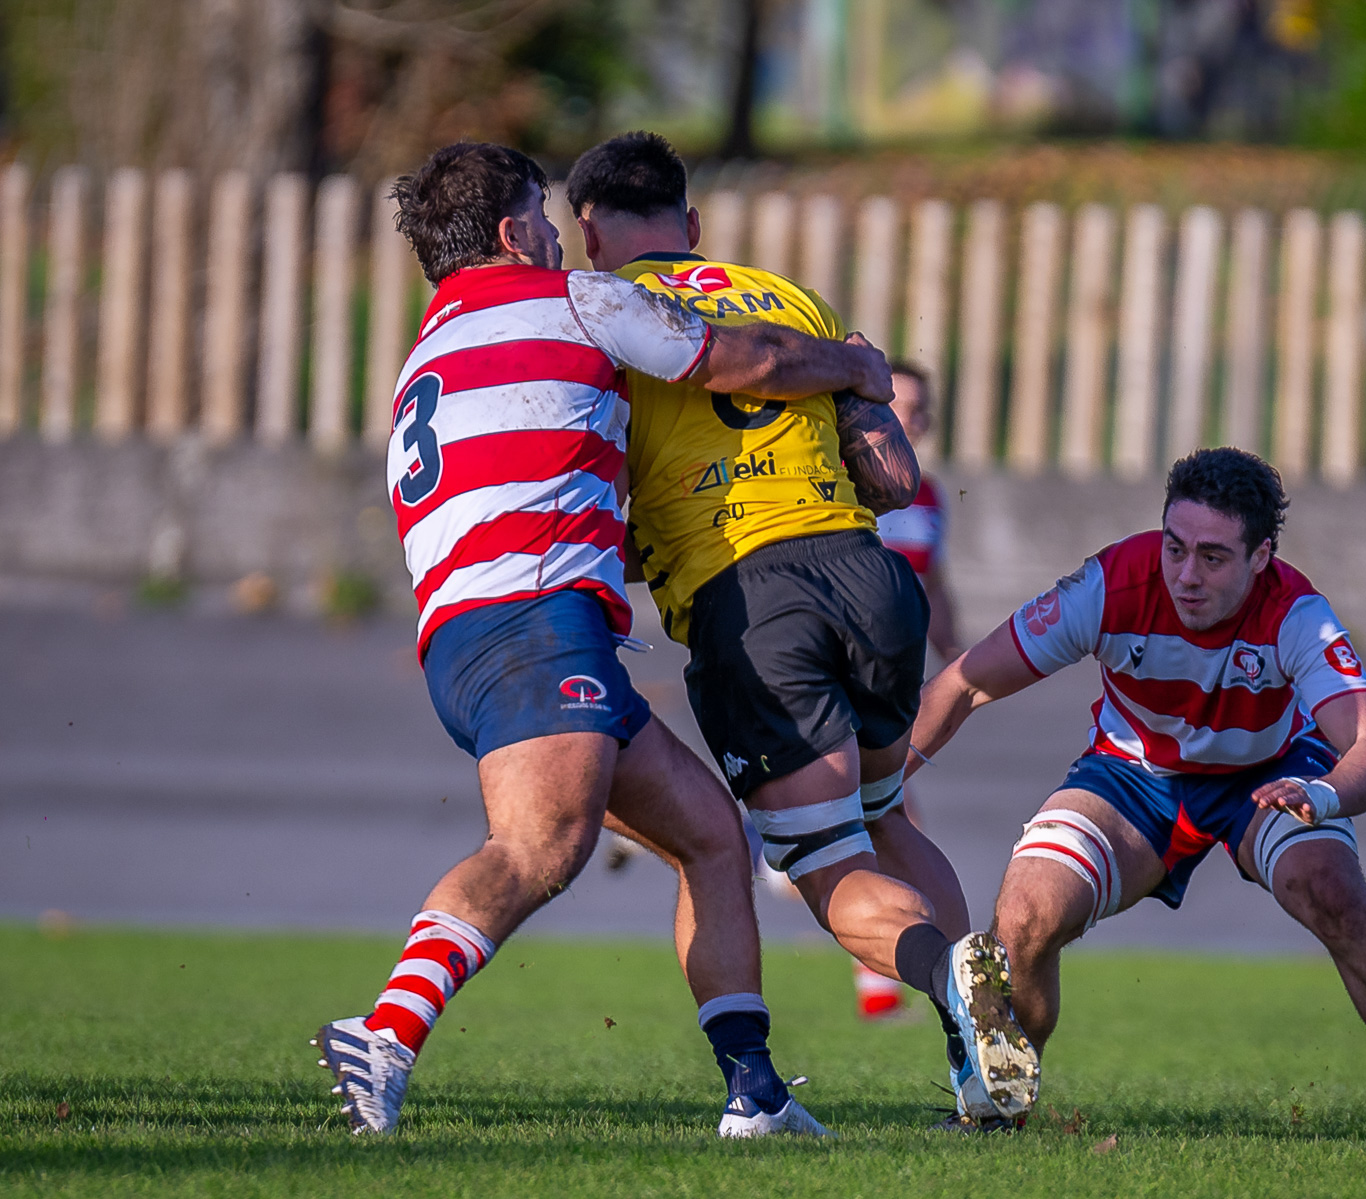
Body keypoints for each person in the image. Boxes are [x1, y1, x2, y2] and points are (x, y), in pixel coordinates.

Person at [313, 141, 893, 1139]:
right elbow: (745, 360)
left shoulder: (430, 349)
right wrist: (854, 364)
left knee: (709, 835)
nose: (560, 235)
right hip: (534, 621)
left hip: (473, 628)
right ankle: (386, 1033)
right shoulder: (574, 302)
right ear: (512, 232)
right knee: (541, 845)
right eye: (543, 217)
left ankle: (754, 1091)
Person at [566, 130, 1039, 1125]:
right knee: (887, 813)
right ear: (694, 224)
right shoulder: (793, 301)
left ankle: (949, 973)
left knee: (824, 863)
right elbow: (895, 478)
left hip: (752, 603)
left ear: (590, 233)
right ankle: (972, 1049)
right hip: (870, 577)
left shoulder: (602, 320)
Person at [908, 447, 1366, 1144]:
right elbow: (965, 682)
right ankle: (999, 1110)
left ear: (1261, 556)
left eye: (1212, 557)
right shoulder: (1110, 585)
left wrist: (1321, 794)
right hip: (1132, 775)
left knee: (1332, 890)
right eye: (1175, 547)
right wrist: (882, 783)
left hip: (1268, 774)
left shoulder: (1297, 613)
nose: (1186, 575)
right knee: (1025, 913)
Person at [854, 362, 961, 1020]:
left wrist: (962, 658)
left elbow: (934, 584)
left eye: (918, 409)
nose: (908, 419)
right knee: (892, 818)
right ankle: (895, 981)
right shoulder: (839, 481)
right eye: (896, 404)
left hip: (897, 686)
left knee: (867, 819)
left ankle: (761, 846)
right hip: (840, 680)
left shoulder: (930, 497)